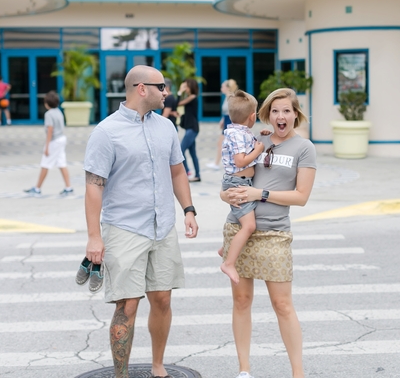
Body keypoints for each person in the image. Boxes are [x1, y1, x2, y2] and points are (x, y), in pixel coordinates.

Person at [83, 65, 199, 378]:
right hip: (124, 228)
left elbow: (177, 171)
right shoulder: (106, 132)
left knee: (162, 299)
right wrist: (94, 236)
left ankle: (158, 366)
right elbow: (94, 185)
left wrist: (189, 210)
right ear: (141, 88)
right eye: (162, 86)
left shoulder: (166, 128)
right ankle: (121, 375)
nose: (167, 92)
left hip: (162, 227)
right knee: (128, 305)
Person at [220, 88, 316, 378]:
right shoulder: (254, 138)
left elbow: (301, 197)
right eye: (275, 111)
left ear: (295, 114)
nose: (280, 116)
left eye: (286, 110)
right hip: (240, 228)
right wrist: (226, 197)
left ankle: (298, 373)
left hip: (275, 233)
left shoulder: (304, 148)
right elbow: (230, 178)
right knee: (241, 301)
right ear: (266, 114)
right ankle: (244, 370)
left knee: (282, 304)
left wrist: (259, 192)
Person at [218, 90, 265, 284]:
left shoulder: (242, 132)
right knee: (249, 225)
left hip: (243, 182)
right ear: (252, 116)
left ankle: (226, 247)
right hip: (237, 183)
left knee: (241, 220)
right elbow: (240, 160)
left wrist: (259, 138)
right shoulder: (236, 135)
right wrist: (258, 149)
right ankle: (228, 262)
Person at [24, 91, 73, 196]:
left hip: (54, 141)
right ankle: (68, 187)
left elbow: (50, 130)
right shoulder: (59, 112)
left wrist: (47, 146)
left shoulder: (49, 114)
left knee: (45, 163)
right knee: (61, 163)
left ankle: (37, 188)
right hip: (61, 139)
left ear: (47, 103)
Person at [207, 79, 238, 170]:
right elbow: (226, 111)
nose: (221, 88)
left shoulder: (231, 97)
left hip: (229, 123)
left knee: (223, 143)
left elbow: (232, 112)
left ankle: (217, 163)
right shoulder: (227, 97)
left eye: (223, 87)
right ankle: (219, 162)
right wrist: (222, 120)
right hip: (226, 121)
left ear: (227, 88)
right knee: (224, 144)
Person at [177, 78, 201, 182]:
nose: (185, 88)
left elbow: (177, 103)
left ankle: (187, 172)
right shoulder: (190, 97)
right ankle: (197, 175)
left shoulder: (192, 97)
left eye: (186, 86)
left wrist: (179, 92)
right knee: (192, 153)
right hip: (190, 128)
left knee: (180, 151)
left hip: (192, 129)